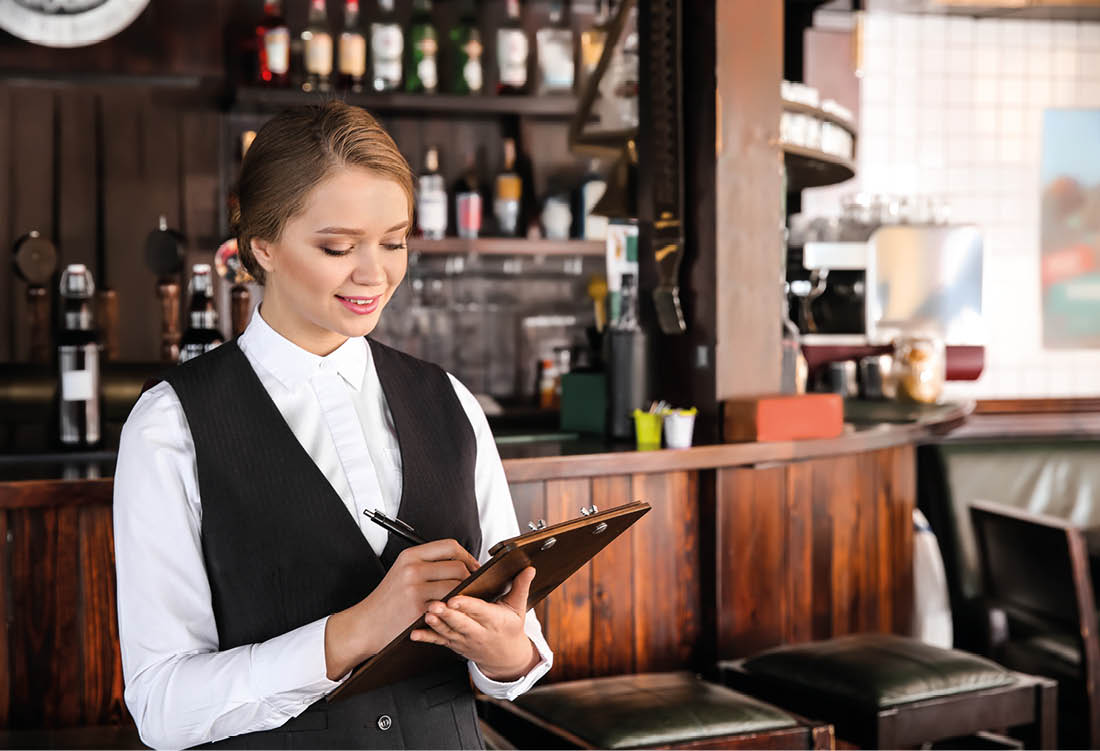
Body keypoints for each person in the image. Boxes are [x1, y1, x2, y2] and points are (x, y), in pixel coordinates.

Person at [113, 101, 553, 750]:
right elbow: (160, 706)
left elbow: (520, 652)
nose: (374, 273)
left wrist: (508, 651)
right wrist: (353, 630)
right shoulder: (170, 426)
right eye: (338, 246)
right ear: (261, 245)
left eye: (394, 241)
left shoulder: (450, 399)